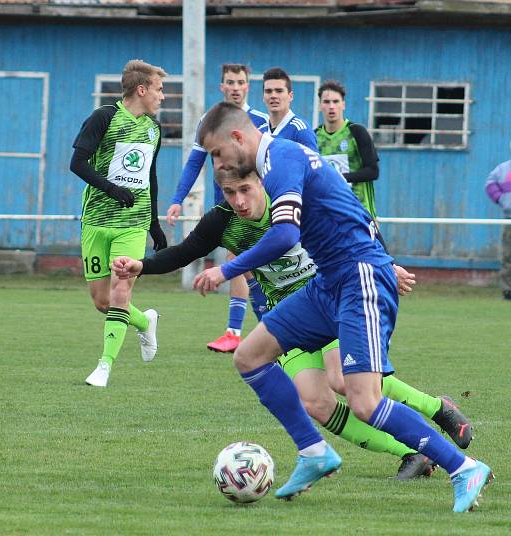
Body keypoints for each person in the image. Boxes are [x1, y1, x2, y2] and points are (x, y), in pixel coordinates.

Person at [191, 102, 491, 512]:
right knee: (250, 355)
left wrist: (225, 272)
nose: (216, 162)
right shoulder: (278, 160)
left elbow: (283, 236)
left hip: (359, 277)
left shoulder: (280, 159)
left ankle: (463, 467)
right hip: (329, 281)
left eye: (216, 153)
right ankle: (314, 452)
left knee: (363, 400)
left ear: (237, 138)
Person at [113, 169, 473, 479]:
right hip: (286, 316)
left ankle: (436, 408)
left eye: (245, 190)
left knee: (343, 380)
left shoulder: (291, 204)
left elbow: (356, 221)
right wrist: (141, 265)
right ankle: (411, 453)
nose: (239, 200)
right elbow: (182, 252)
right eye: (229, 192)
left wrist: (384, 265)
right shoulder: (221, 221)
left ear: (262, 183)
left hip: (331, 297)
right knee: (316, 402)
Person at [69, 59, 168, 387]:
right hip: (96, 221)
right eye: (159, 89)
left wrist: (153, 224)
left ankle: (104, 366)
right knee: (103, 301)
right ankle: (144, 322)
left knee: (121, 289)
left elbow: (150, 177)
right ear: (142, 89)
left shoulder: (154, 129)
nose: (162, 96)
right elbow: (77, 163)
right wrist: (112, 189)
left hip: (133, 224)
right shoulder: (104, 118)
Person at [165, 63, 270, 353]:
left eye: (240, 82)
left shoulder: (260, 121)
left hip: (258, 209)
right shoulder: (209, 122)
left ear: (248, 86)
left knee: (254, 269)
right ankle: (241, 331)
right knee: (242, 267)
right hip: (227, 208)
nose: (235, 87)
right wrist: (177, 199)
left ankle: (265, 329)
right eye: (230, 82)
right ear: (221, 87)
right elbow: (194, 163)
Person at [315, 80, 379, 218]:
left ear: (343, 104)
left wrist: (339, 178)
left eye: (336, 101)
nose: (331, 106)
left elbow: (373, 171)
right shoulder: (314, 137)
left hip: (359, 212)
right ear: (320, 106)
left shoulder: (357, 132)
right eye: (326, 102)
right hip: (328, 214)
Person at [261, 67, 318, 151]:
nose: (273, 96)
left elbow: (314, 164)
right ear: (263, 97)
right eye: (268, 91)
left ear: (290, 96)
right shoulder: (260, 132)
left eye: (279, 91)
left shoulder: (301, 130)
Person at [485, 153, 511, 300]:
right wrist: (501, 199)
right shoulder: (503, 169)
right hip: (509, 219)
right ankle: (508, 291)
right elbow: (490, 183)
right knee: (508, 256)